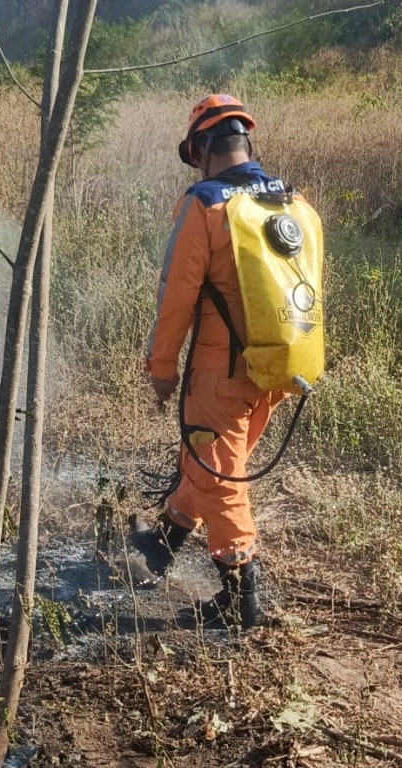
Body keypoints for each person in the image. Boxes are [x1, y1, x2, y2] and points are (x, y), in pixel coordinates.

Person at [127, 93, 316, 631]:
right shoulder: (292, 201)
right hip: (279, 367)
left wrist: (162, 369)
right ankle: (164, 543)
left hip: (221, 372)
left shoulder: (205, 205)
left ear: (204, 148)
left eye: (195, 156)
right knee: (208, 458)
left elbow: (176, 297)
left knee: (221, 474)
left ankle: (239, 599)